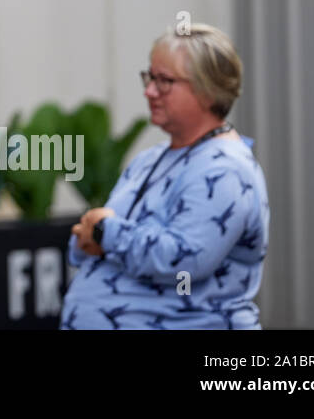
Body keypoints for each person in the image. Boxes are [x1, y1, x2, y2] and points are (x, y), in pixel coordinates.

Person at [60, 23, 269, 329]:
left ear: (208, 89)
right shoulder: (151, 158)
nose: (149, 91)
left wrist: (106, 233)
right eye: (149, 77)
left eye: (164, 81)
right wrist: (93, 235)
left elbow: (185, 261)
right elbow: (91, 242)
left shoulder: (226, 169)